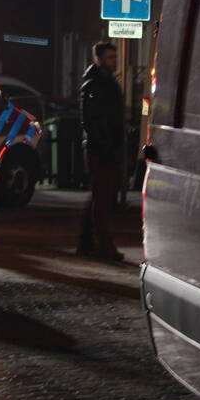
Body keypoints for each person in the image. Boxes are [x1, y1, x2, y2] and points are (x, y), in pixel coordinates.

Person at [79, 41, 124, 261]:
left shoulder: (106, 82)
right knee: (103, 198)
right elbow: (90, 119)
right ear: (98, 59)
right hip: (100, 148)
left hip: (105, 146)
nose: (114, 61)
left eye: (115, 57)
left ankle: (86, 241)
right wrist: (106, 145)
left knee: (99, 195)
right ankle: (103, 245)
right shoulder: (96, 85)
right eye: (109, 58)